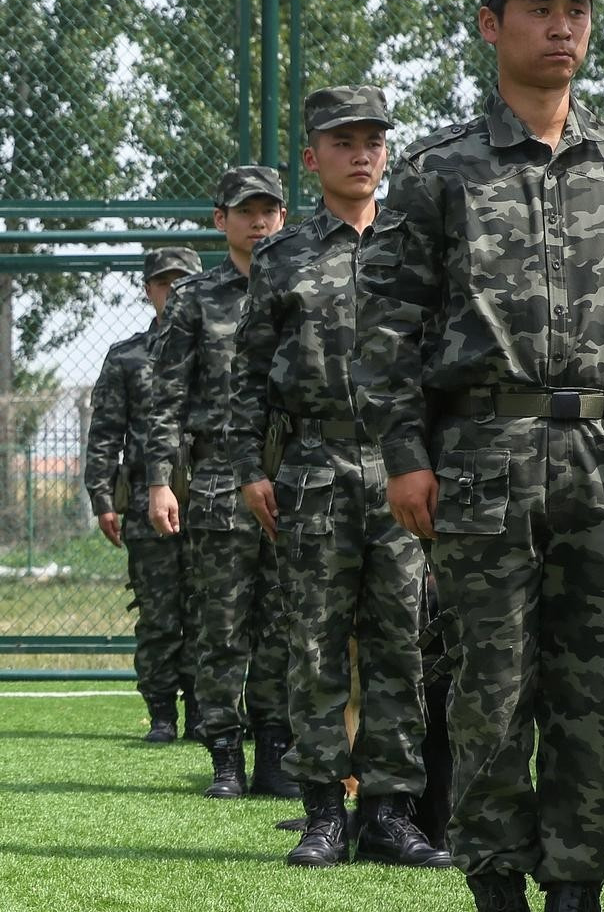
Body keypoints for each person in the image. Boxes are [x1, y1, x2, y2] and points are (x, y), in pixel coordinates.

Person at [359, 0, 604, 912]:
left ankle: (576, 887)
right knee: (489, 687)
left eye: (577, 10)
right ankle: (496, 887)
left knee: (593, 691)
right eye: (539, 9)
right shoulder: (438, 172)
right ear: (491, 25)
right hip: (483, 457)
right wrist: (404, 457)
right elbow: (386, 331)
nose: (562, 27)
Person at [226, 87, 448, 869]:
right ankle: (323, 809)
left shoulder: (417, 246)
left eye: (373, 141)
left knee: (401, 643)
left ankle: (389, 810)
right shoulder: (281, 255)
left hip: (400, 467)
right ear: (312, 156)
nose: (361, 155)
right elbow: (249, 372)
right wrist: (250, 468)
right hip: (314, 466)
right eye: (343, 142)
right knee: (315, 643)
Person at [144, 167, 296, 801]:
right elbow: (165, 398)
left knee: (283, 625)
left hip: (293, 475)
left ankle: (276, 753)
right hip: (217, 480)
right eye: (245, 211)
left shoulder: (301, 286)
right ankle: (225, 755)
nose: (259, 222)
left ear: (284, 217)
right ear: (220, 220)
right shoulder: (195, 299)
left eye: (269, 211)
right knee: (222, 626)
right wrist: (159, 480)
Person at [84, 244, 201, 743]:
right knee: (158, 613)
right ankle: (161, 712)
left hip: (213, 496)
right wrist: (102, 498)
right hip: (146, 502)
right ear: (149, 289)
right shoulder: (128, 356)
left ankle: (206, 711)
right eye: (164, 283)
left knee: (212, 612)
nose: (174, 292)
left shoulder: (221, 347)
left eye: (184, 283)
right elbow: (105, 433)